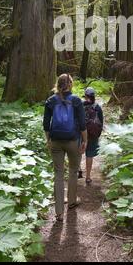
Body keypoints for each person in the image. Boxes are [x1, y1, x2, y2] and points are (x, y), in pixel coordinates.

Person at [43, 74, 87, 222]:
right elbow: (82, 124)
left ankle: (59, 212)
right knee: (73, 171)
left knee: (58, 174)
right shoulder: (76, 100)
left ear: (58, 84)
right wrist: (85, 140)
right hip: (73, 141)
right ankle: (72, 201)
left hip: (55, 141)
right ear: (70, 84)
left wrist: (48, 139)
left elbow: (46, 124)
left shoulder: (50, 101)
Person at [83, 87, 104, 185]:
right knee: (89, 155)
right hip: (92, 135)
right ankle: (87, 177)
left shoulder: (81, 106)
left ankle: (77, 171)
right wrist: (97, 134)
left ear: (85, 95)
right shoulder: (97, 107)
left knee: (78, 153)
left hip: (81, 134)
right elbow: (101, 123)